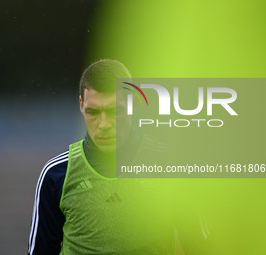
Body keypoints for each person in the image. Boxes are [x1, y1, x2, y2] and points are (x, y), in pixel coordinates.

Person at [27, 59, 215, 255]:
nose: (104, 124)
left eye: (114, 110)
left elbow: (201, 247)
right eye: (93, 112)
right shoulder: (56, 175)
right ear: (82, 106)